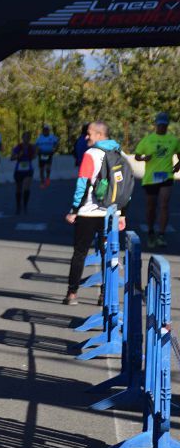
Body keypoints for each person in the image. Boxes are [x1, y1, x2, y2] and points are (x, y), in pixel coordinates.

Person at [64, 121, 126, 306]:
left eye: (89, 134)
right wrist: (122, 213)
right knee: (107, 254)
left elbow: (82, 185)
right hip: (111, 213)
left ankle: (72, 293)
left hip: (88, 213)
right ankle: (104, 295)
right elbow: (125, 187)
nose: (86, 137)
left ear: (99, 135)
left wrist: (74, 210)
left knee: (80, 253)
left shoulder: (90, 154)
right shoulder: (119, 155)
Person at [134, 112, 180, 248]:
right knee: (151, 207)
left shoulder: (173, 140)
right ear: (156, 125)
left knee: (164, 205)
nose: (162, 127)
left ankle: (161, 234)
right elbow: (137, 156)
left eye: (164, 125)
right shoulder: (148, 140)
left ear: (167, 125)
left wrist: (178, 165)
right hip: (150, 178)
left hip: (166, 176)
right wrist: (143, 158)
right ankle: (150, 232)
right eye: (160, 125)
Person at [10, 131, 36, 215]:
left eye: (28, 137)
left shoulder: (31, 147)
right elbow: (12, 158)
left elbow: (34, 156)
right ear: (22, 138)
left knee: (26, 187)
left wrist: (33, 154)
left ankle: (25, 206)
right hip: (19, 170)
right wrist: (18, 155)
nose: (27, 139)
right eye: (25, 137)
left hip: (28, 170)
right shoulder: (18, 147)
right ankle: (18, 206)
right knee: (18, 188)